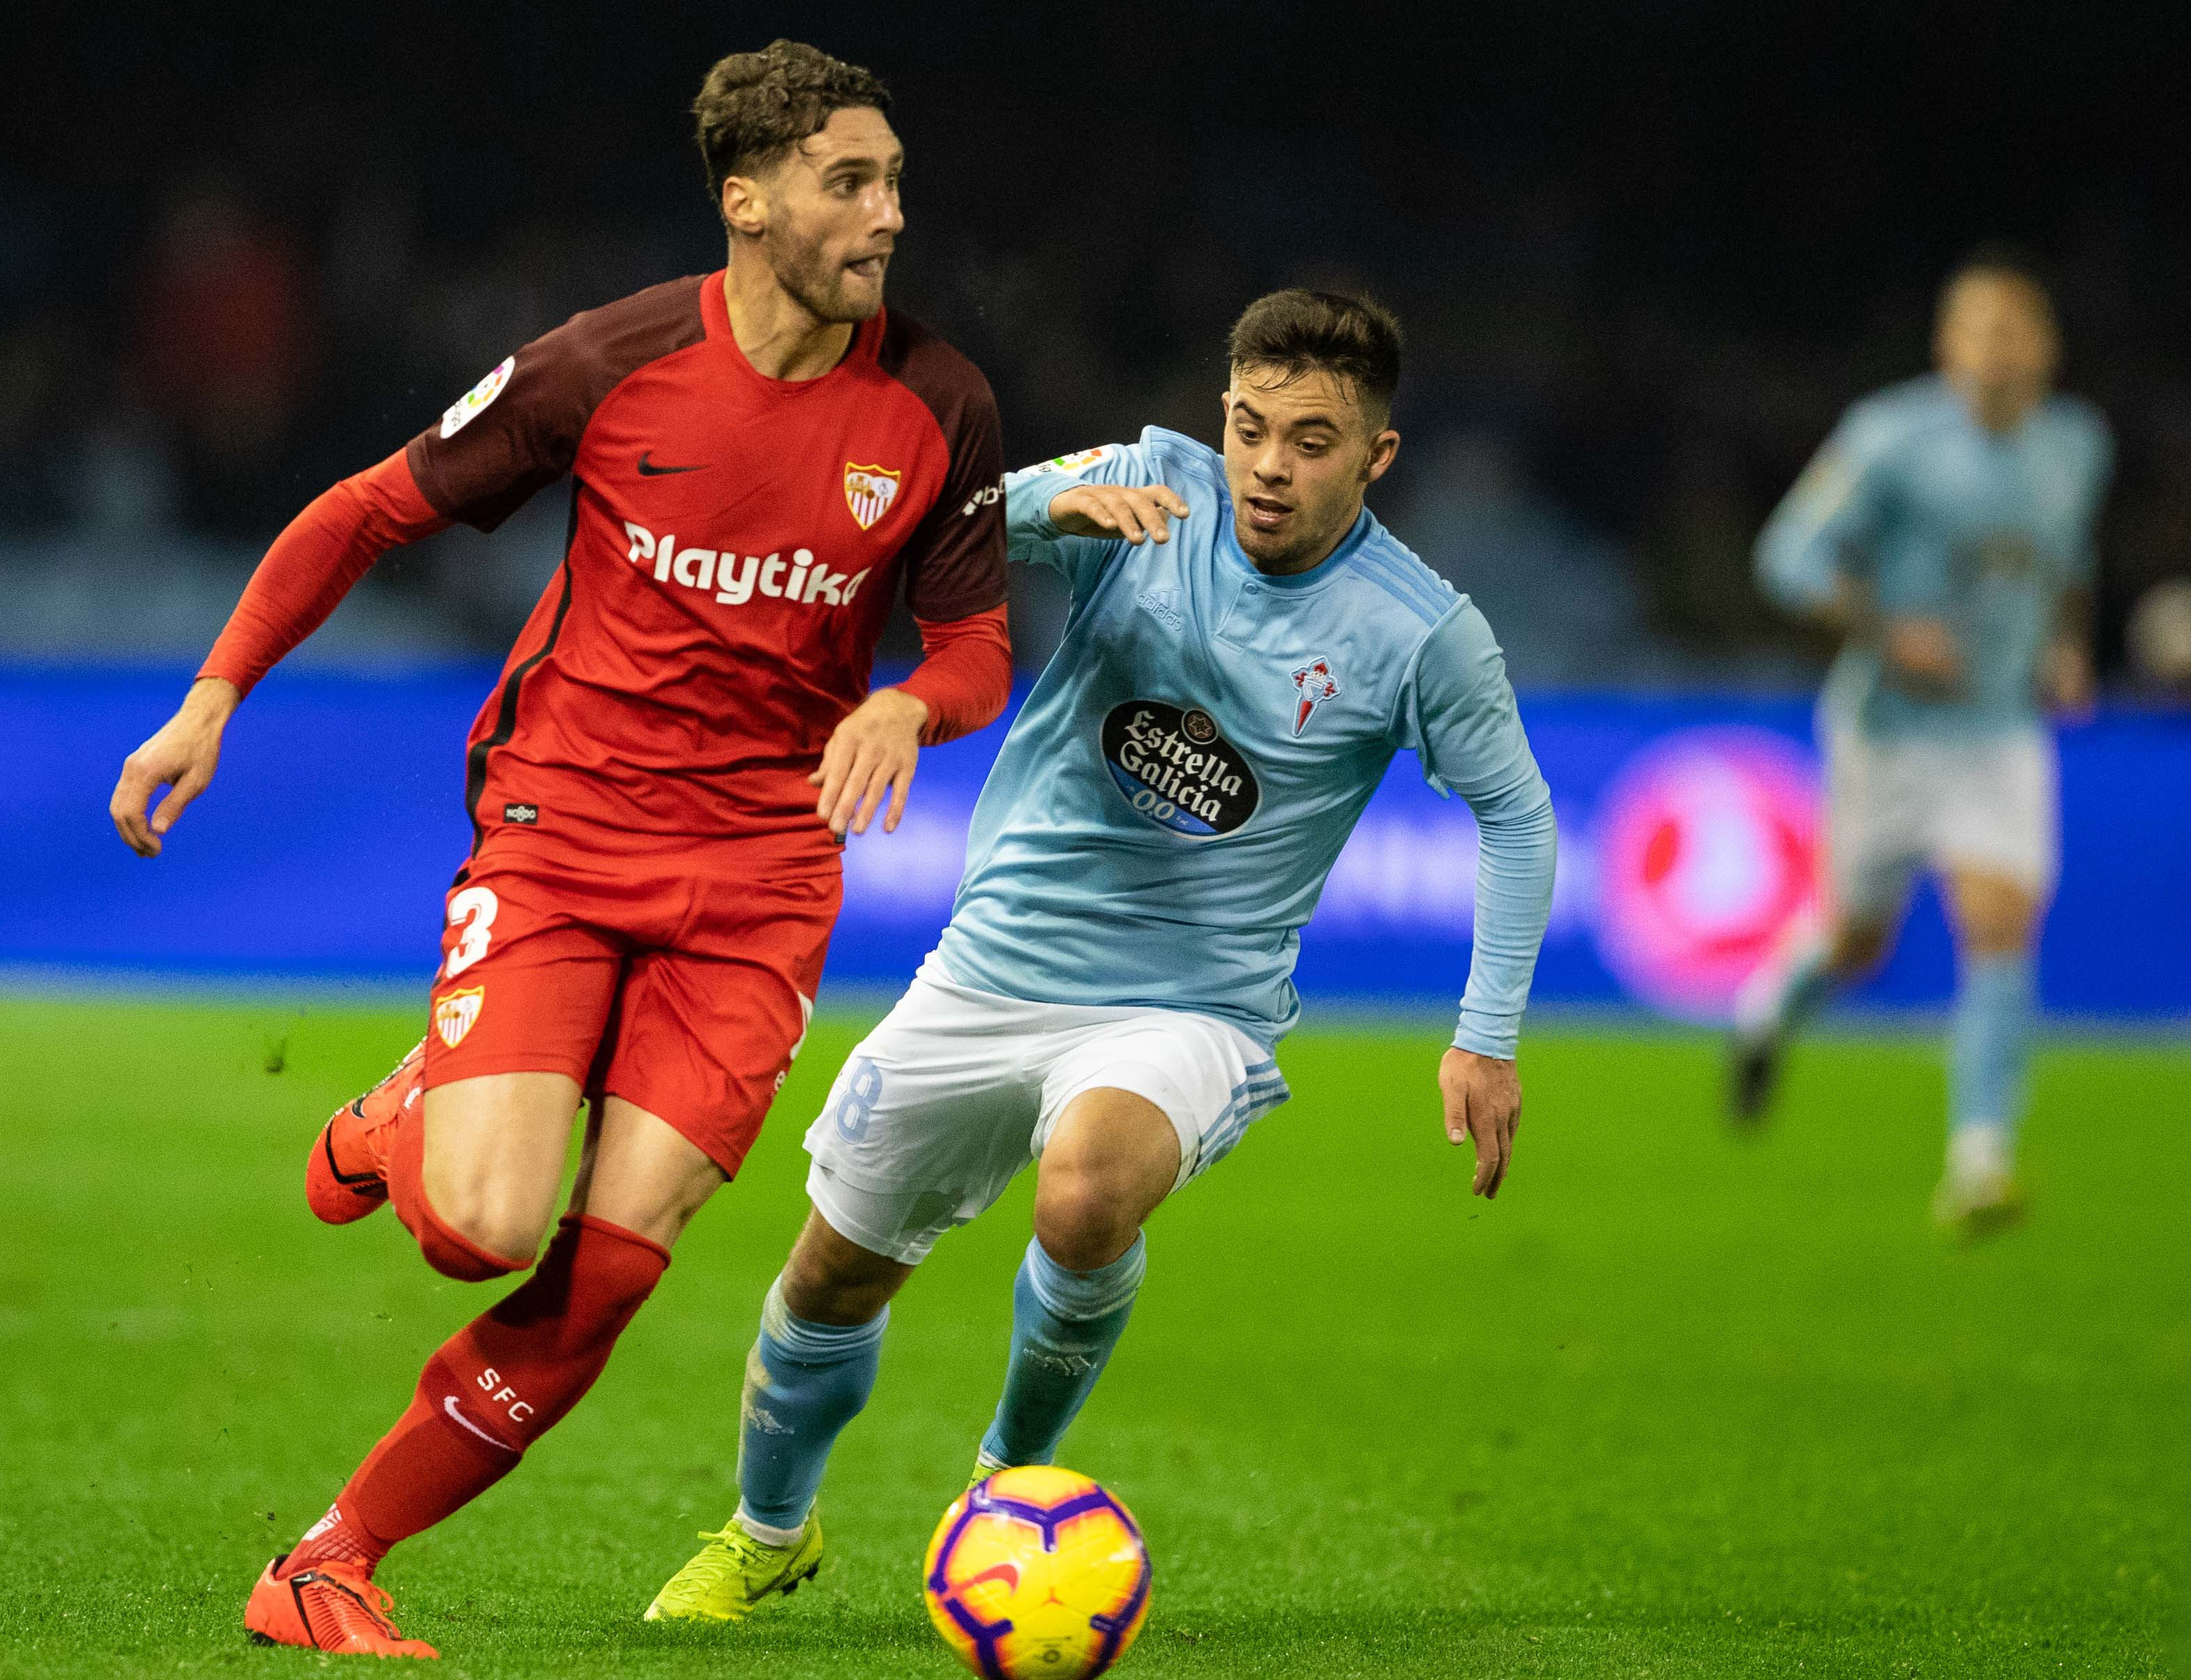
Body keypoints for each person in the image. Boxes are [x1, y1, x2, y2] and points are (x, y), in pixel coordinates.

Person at [106, 42, 1014, 1656]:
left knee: (613, 1264)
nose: (888, 213)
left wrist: (912, 708)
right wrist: (210, 696)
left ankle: (327, 1557)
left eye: (892, 180)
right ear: (747, 202)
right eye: (848, 181)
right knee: (479, 1229)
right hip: (567, 831)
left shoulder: (939, 401)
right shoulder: (610, 361)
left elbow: (975, 645)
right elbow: (369, 510)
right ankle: (410, 1108)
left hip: (762, 877)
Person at [638, 290, 1558, 1625]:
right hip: (993, 965)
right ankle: (768, 1528)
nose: (1267, 468)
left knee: (1085, 1192)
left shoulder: (1418, 631)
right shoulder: (1139, 486)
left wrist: (1485, 1029)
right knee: (830, 1274)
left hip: (1189, 1005)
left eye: (1311, 441)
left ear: (1377, 457)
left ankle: (1009, 1486)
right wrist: (1040, 515)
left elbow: (1519, 816)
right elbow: (907, 527)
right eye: (1248, 429)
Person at [1732, 250, 2111, 1237]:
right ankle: (1772, 1001)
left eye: (2014, 333)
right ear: (1946, 347)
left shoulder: (2074, 446)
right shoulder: (1888, 438)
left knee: (1998, 926)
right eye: (1976, 333)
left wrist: (2066, 645)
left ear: (2045, 351)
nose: (1995, 354)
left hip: (1996, 733)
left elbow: (2066, 564)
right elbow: (1786, 556)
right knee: (1858, 940)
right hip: (1888, 731)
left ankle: (1980, 1158)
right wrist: (1881, 628)